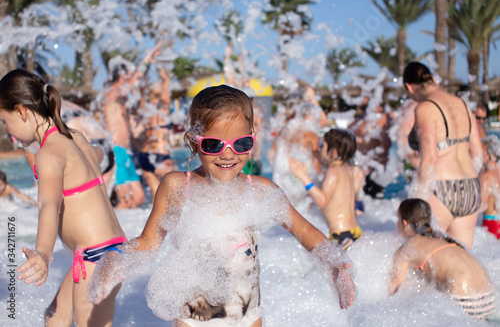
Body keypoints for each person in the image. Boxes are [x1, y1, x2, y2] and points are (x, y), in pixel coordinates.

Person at [88, 85, 356, 327]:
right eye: (214, 144)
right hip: (193, 318)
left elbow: (306, 232)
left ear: (252, 137)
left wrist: (334, 264)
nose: (228, 154)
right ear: (194, 139)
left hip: (248, 316)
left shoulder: (262, 190)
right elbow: (149, 242)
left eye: (241, 143)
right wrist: (120, 256)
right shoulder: (178, 187)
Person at [0, 69, 126, 326]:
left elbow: (49, 205)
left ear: (22, 111)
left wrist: (43, 254)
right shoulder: (74, 138)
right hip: (110, 249)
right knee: (55, 316)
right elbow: (97, 155)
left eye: (4, 121)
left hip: (94, 257)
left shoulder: (48, 153)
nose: (8, 133)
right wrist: (101, 152)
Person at [404, 62, 483, 248]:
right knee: (462, 260)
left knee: (427, 257)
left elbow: (430, 160)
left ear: (409, 86)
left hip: (441, 189)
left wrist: (419, 200)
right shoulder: (462, 104)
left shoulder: (425, 108)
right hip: (471, 187)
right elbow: (478, 153)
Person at [389, 198, 495, 320]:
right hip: (489, 300)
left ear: (405, 223)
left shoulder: (408, 248)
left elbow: (395, 288)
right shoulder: (442, 237)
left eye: (398, 220)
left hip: (465, 302)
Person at [97, 44, 163, 208]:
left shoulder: (119, 97)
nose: (131, 78)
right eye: (128, 75)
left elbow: (138, 83)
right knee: (126, 200)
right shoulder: (111, 94)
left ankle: (124, 230)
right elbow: (134, 81)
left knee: (139, 198)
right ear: (121, 76)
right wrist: (147, 59)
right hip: (114, 151)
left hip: (124, 152)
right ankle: (108, 233)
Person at [289, 129, 363, 250]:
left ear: (333, 152)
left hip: (341, 236)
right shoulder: (347, 169)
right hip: (354, 231)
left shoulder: (332, 172)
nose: (319, 148)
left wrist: (304, 177)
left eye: (323, 145)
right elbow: (325, 158)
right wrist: (314, 151)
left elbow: (322, 200)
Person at [134, 68, 176, 199]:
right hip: (160, 156)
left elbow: (141, 96)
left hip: (144, 156)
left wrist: (144, 86)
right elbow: (166, 94)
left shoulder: (144, 107)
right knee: (176, 193)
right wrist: (165, 77)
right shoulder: (162, 109)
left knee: (156, 198)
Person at [480, 135, 500, 239]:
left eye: (481, 151)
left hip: (490, 223)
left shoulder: (486, 176)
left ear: (490, 156)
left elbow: (481, 205)